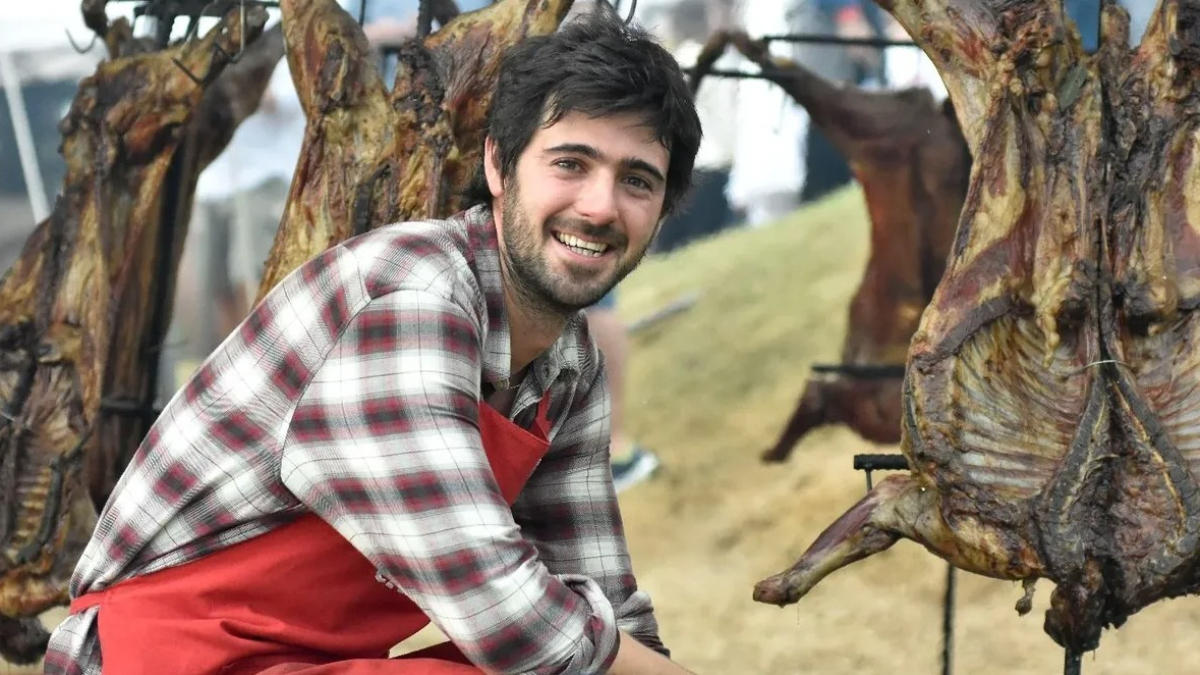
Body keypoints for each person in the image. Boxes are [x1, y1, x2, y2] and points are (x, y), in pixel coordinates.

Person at [43, 6, 702, 675]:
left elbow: (608, 602)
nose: (599, 205)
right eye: (571, 162)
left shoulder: (569, 366)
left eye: (636, 180)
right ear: (499, 165)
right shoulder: (413, 299)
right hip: (161, 656)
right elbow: (503, 609)